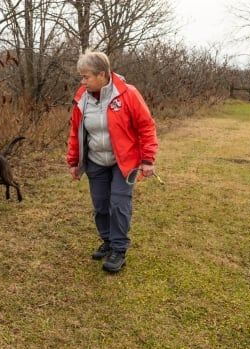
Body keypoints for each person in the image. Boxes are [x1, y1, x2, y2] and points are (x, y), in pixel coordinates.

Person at [67, 50, 158, 273]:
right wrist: (74, 161)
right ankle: (107, 241)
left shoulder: (128, 94)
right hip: (95, 160)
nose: (83, 81)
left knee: (118, 204)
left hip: (123, 161)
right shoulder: (82, 98)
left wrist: (148, 159)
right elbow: (75, 131)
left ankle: (118, 249)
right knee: (100, 205)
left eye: (86, 76)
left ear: (102, 74)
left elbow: (146, 126)